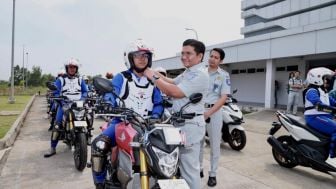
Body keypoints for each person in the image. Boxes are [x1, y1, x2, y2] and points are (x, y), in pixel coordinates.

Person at [91, 39, 163, 189]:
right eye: (138, 55)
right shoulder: (121, 77)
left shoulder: (154, 79)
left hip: (148, 124)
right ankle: (100, 183)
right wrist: (109, 104)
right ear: (130, 58)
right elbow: (111, 94)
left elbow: (158, 102)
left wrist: (156, 116)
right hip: (122, 122)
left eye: (145, 56)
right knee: (99, 145)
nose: (142, 59)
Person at [144, 39, 209, 189]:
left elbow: (173, 91)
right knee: (176, 165)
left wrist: (152, 77)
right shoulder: (189, 72)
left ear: (199, 56)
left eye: (188, 53)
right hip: (181, 124)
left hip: (190, 126)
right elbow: (172, 82)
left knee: (189, 169)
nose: (184, 56)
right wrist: (153, 72)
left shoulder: (200, 75)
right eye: (182, 53)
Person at [198, 48, 230, 187]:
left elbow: (223, 97)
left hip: (214, 112)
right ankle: (198, 168)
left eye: (216, 57)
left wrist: (209, 113)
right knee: (198, 143)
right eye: (211, 56)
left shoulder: (224, 75)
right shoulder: (200, 72)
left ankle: (213, 174)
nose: (212, 59)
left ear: (220, 60)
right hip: (199, 111)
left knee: (215, 145)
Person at [44, 58, 88, 158]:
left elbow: (85, 91)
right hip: (65, 105)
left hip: (78, 105)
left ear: (76, 69)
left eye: (74, 67)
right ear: (67, 68)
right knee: (57, 124)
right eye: (70, 67)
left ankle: (86, 137)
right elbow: (55, 91)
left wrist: (83, 99)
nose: (72, 69)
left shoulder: (81, 80)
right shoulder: (61, 80)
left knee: (86, 119)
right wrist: (62, 102)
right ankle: (52, 148)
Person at [303, 67, 336, 158]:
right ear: (317, 79)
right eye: (325, 79)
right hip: (314, 117)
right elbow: (318, 106)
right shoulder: (312, 91)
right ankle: (332, 156)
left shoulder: (324, 92)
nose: (327, 81)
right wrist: (333, 110)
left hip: (324, 117)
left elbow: (333, 102)